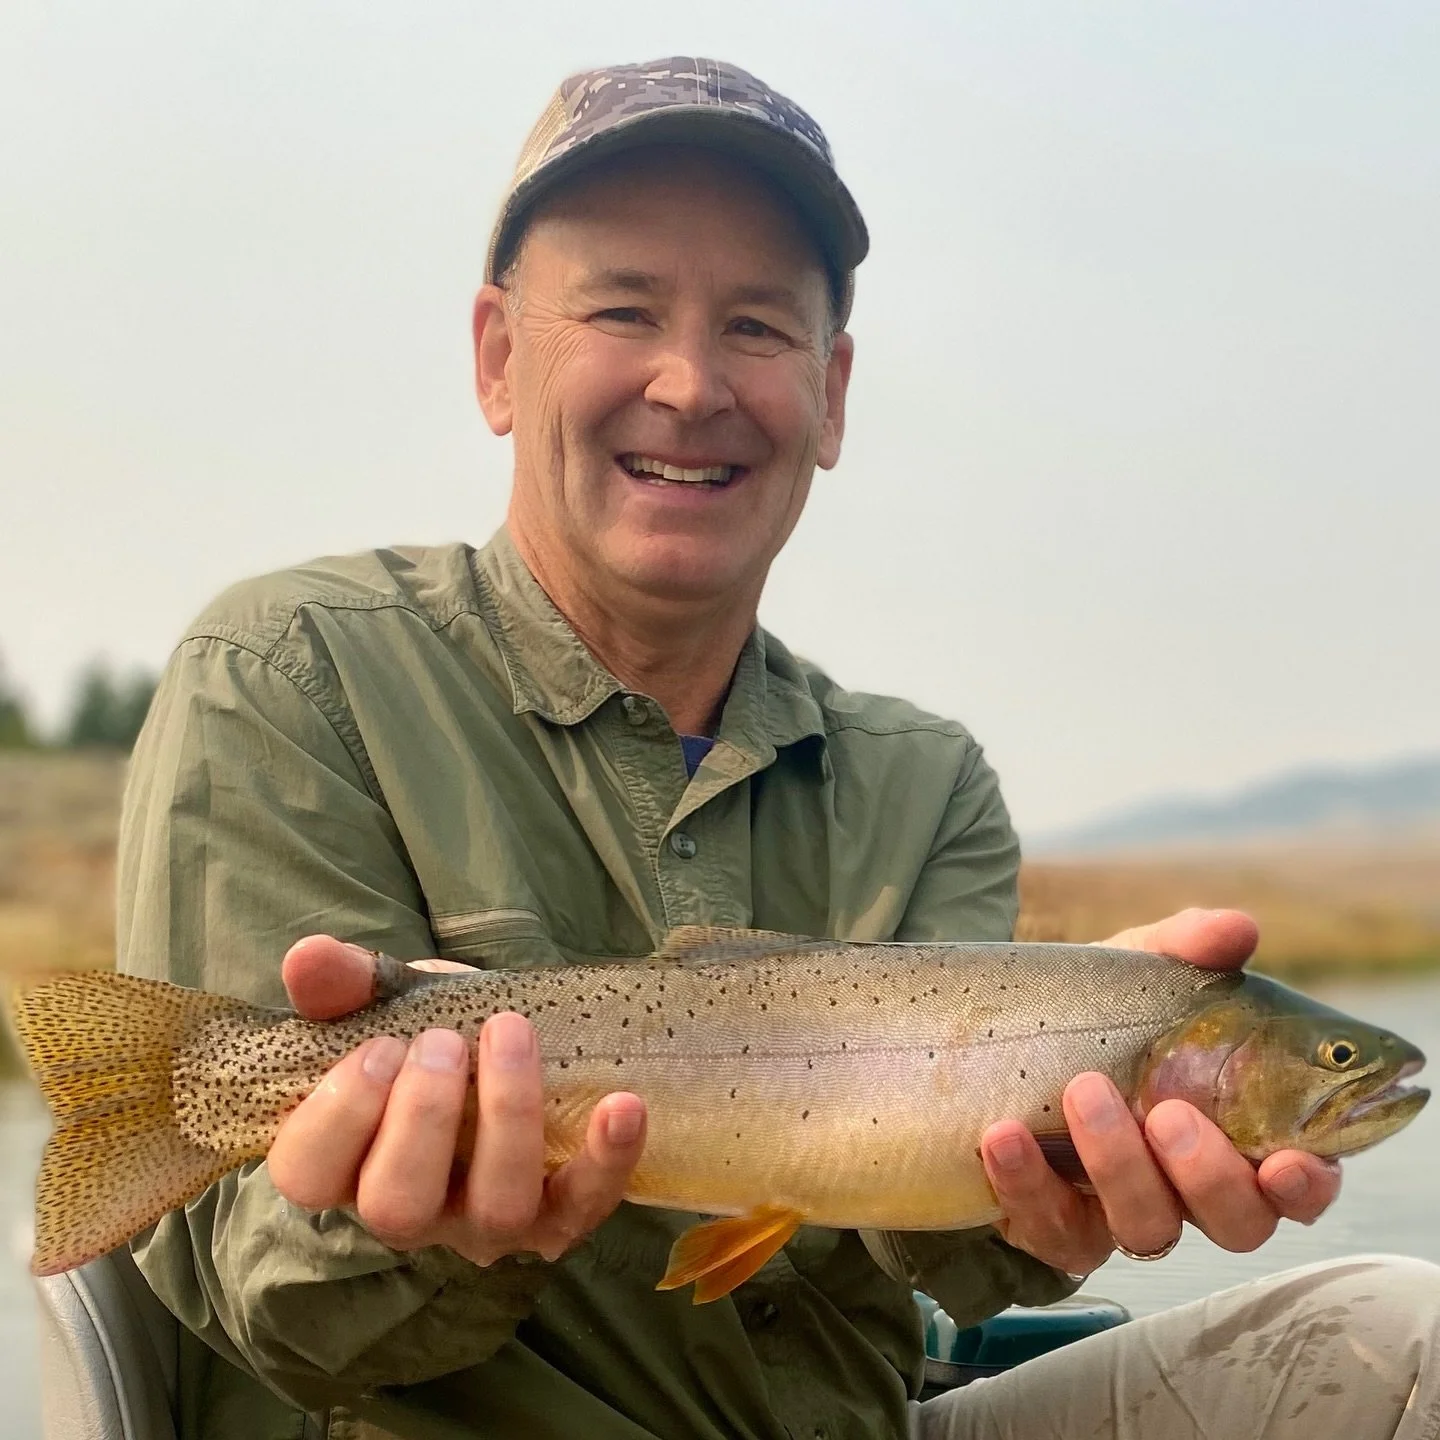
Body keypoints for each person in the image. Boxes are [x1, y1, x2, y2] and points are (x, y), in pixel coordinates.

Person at [118, 56, 1439, 1440]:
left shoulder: (926, 783)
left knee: (1403, 1337)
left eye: (755, 326)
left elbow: (940, 1251)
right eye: (624, 309)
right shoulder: (294, 673)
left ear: (832, 392)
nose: (691, 385)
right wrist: (442, 1222)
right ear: (500, 357)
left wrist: (1060, 1202)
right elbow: (261, 1306)